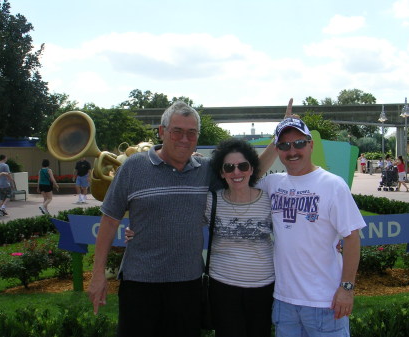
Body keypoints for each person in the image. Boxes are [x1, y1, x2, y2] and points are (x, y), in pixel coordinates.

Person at [87, 100, 282, 337]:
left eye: (191, 133)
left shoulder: (205, 169)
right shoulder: (133, 167)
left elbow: (246, 174)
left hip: (188, 285)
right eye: (177, 131)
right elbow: (109, 220)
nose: (184, 139)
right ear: (162, 131)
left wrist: (278, 136)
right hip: (140, 283)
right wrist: (98, 275)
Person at [256, 117, 366, 337]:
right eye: (284, 145)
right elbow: (251, 174)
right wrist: (274, 138)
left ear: (311, 144)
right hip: (284, 301)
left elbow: (352, 239)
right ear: (277, 150)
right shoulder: (273, 183)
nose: (292, 151)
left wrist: (346, 289)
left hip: (325, 302)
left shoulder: (332, 185)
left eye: (299, 143)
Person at [206, 138, 274, 337]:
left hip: (263, 288)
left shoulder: (269, 200)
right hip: (223, 287)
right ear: (221, 172)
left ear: (252, 169)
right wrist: (138, 231)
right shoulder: (212, 201)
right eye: (229, 167)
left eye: (243, 166)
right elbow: (182, 225)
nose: (236, 173)